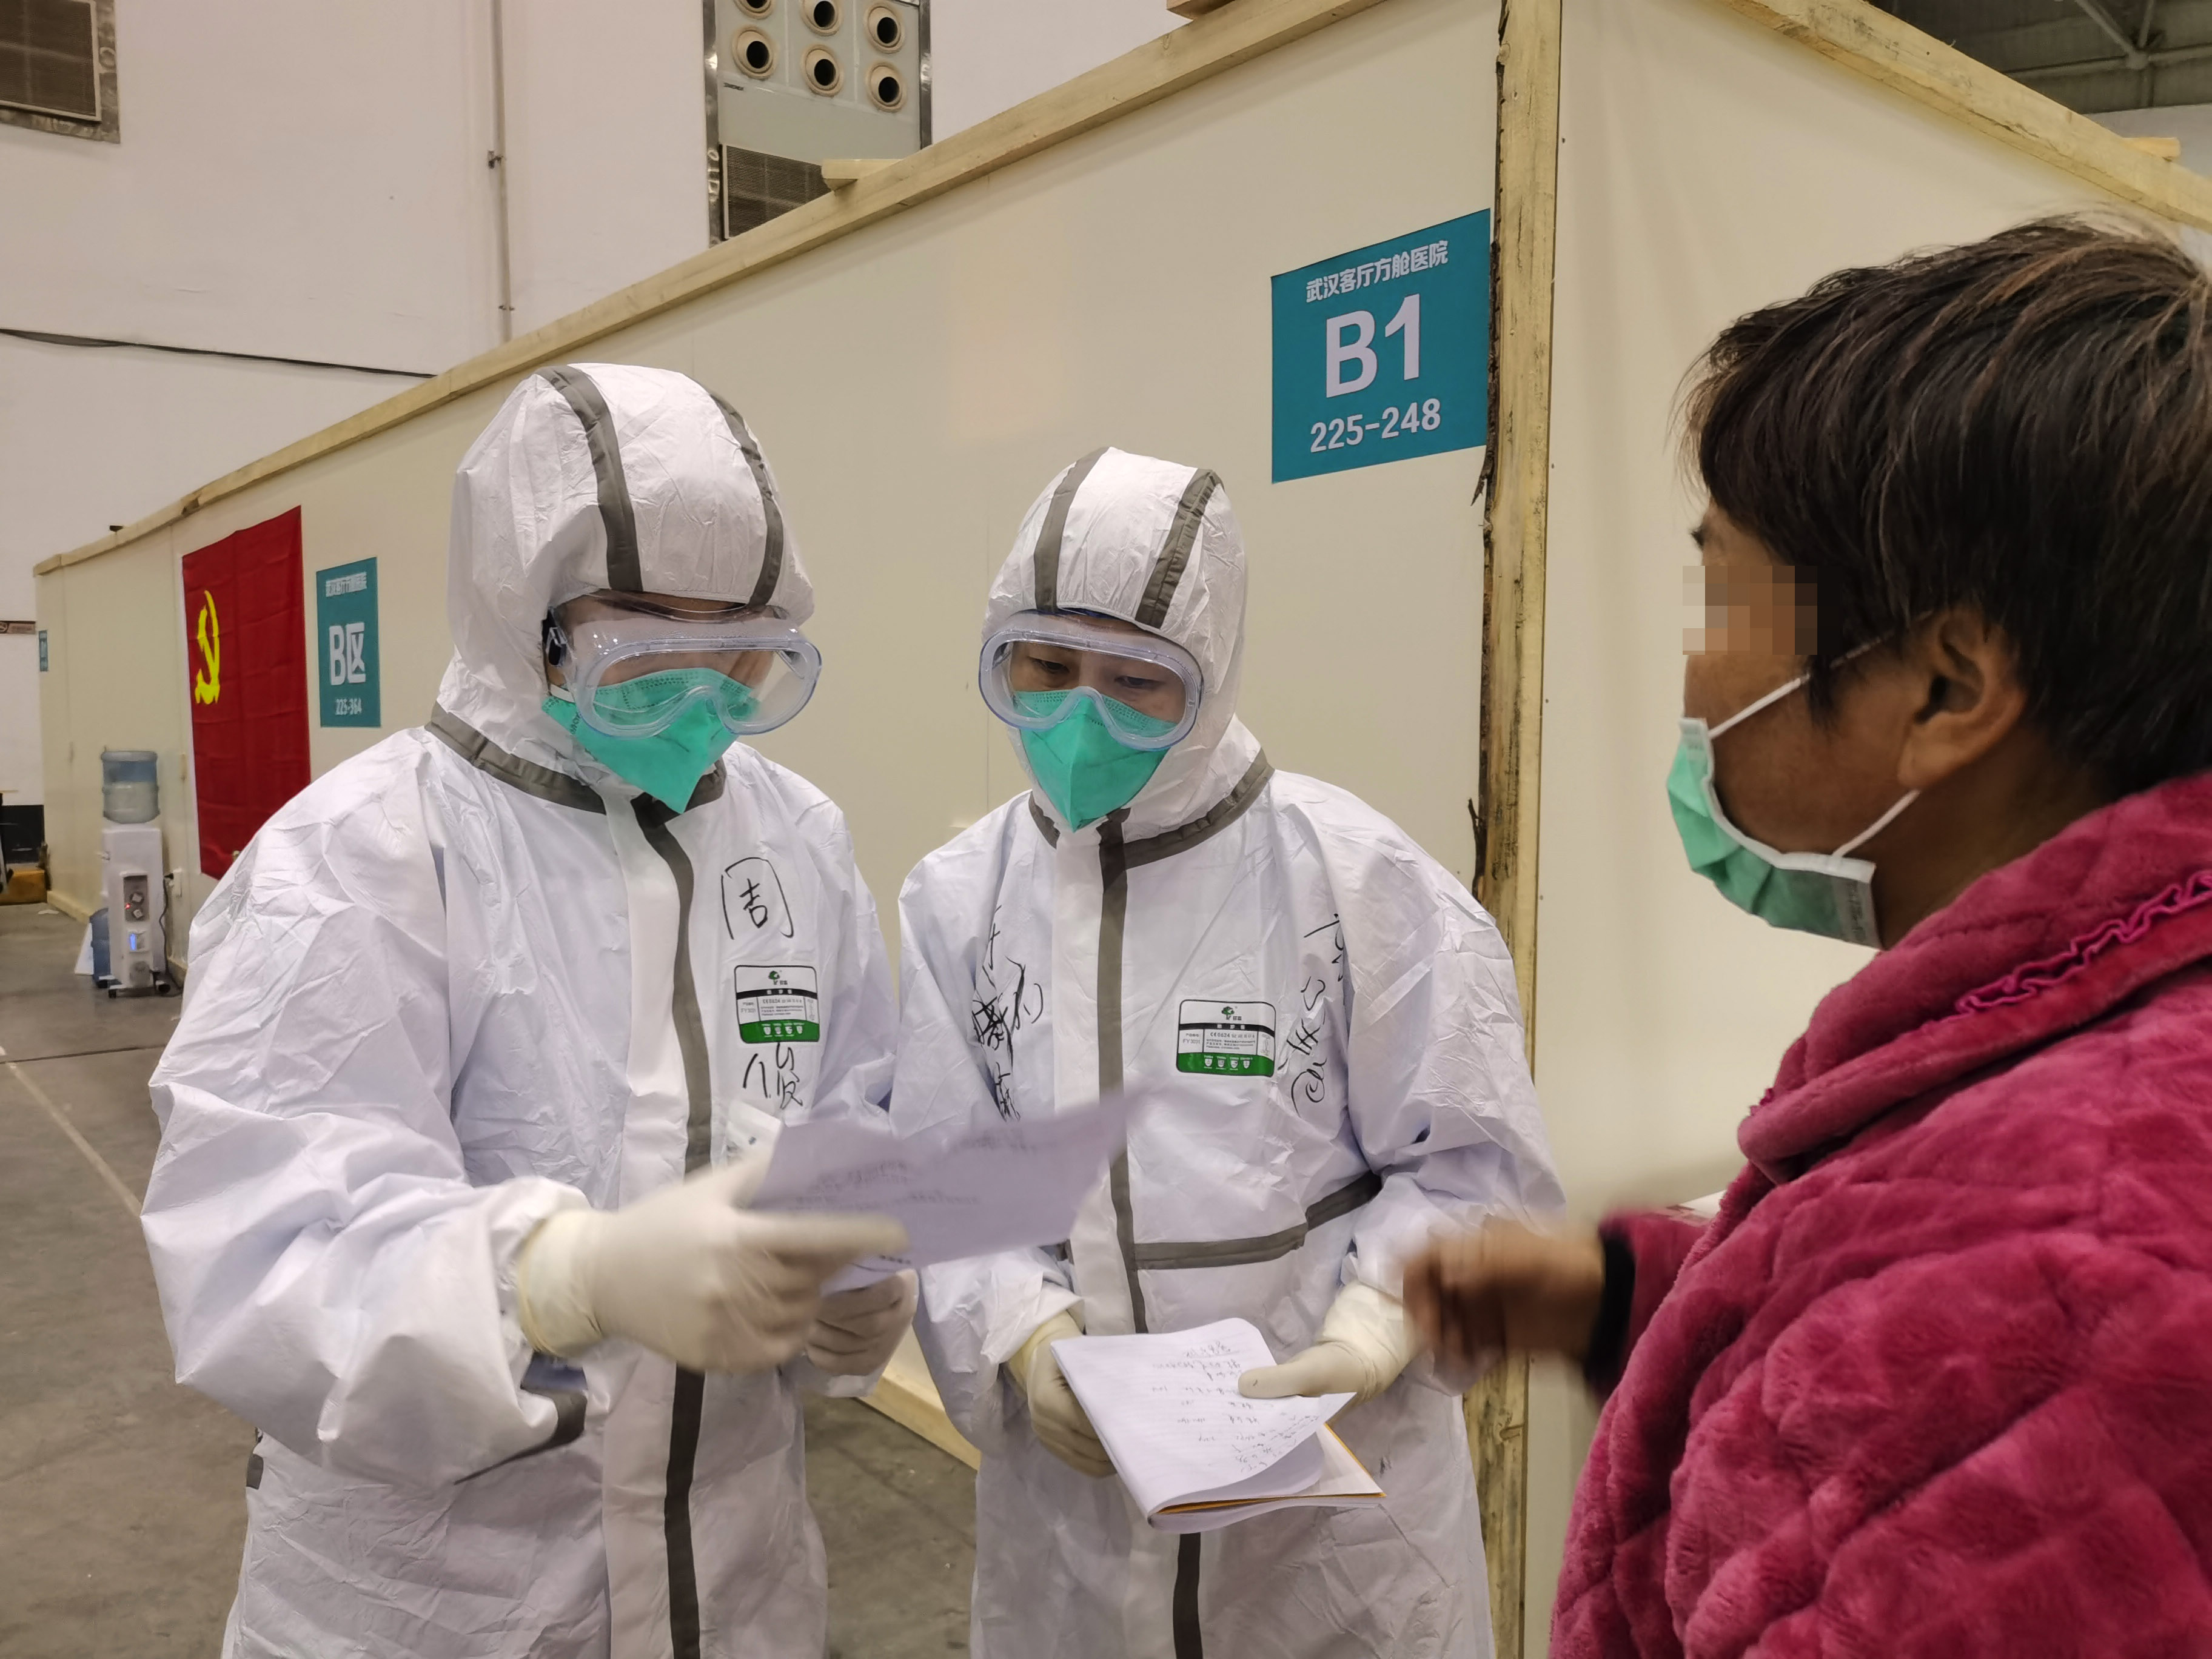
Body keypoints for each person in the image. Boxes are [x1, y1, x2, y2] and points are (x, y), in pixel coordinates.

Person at [1403, 220, 2212, 1657]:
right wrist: (1633, 1300)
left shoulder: (2046, 1287)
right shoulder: (2093, 1032)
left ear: (1946, 690)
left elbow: (1964, 1376)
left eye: (1725, 596)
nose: (1699, 669)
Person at [141, 363, 917, 1659]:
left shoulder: (795, 837)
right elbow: (260, 1265)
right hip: (442, 1598)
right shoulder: (359, 858)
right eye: (646, 653)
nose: (703, 692)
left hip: (739, 1576)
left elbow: (853, 1111)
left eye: (740, 649)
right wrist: (562, 1281)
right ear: (529, 619)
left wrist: (860, 1281)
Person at [893, 446, 1563, 1658]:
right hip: (1076, 1525)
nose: (1082, 716)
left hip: (1332, 1527)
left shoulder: (1354, 879)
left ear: (1211, 677)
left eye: (1137, 682)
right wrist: (1024, 1337)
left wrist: (1374, 1330)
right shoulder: (957, 899)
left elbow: (1477, 1167)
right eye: (1045, 667)